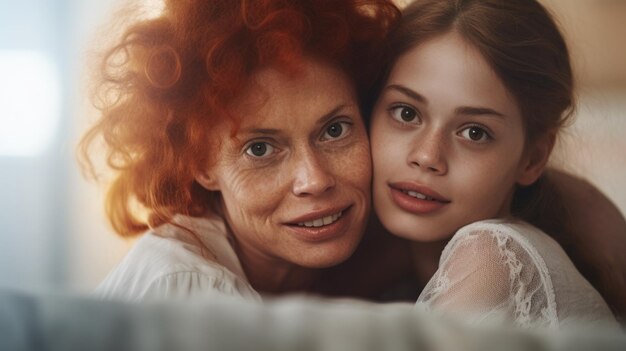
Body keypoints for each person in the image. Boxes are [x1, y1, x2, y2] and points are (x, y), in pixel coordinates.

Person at [79, 0, 400, 301]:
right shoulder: (190, 290)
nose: (314, 180)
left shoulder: (379, 263)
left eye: (335, 130)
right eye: (259, 149)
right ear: (200, 165)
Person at [369, 0, 617, 328]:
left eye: (475, 132)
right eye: (407, 113)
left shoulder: (492, 256)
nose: (427, 157)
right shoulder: (392, 279)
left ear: (533, 158)